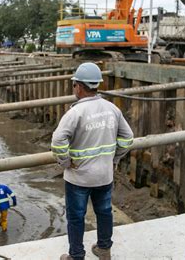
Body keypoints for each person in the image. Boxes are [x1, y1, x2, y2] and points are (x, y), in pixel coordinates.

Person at [52, 62, 134, 260]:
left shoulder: (75, 113)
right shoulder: (111, 108)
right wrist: (115, 157)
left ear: (79, 86)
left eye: (74, 85)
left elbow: (57, 141)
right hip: (104, 176)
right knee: (104, 212)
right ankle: (104, 250)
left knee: (76, 217)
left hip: (78, 178)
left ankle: (77, 256)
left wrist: (65, 162)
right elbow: (128, 137)